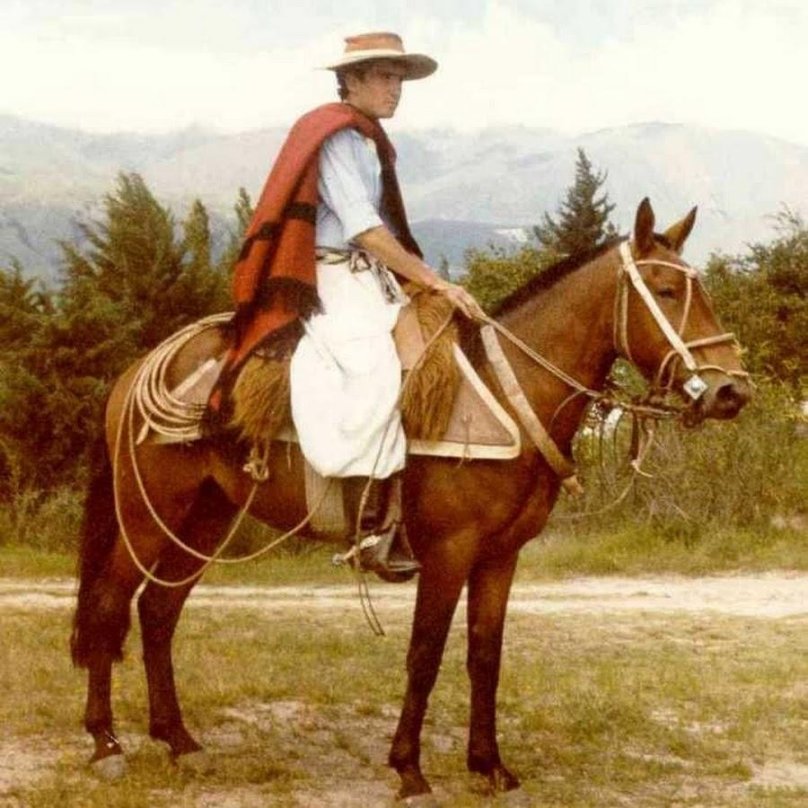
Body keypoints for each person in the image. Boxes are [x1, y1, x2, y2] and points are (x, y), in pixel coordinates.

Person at [223, 32, 483, 581]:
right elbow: (364, 228)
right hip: (333, 275)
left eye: (399, 79)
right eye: (386, 78)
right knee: (372, 369)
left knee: (427, 362)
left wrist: (418, 282)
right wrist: (433, 279)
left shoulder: (370, 141)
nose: (396, 90)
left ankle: (406, 509)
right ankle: (366, 523)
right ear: (354, 80)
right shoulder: (336, 136)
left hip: (371, 279)